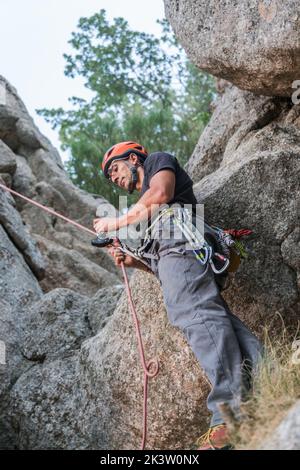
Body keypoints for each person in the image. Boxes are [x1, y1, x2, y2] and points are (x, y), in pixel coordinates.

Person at [93, 141, 263, 450]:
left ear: (133, 159)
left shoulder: (158, 162)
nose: (114, 178)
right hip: (182, 252)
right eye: (110, 177)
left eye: (115, 169)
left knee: (194, 314)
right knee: (213, 317)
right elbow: (166, 268)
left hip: (182, 243)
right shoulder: (147, 215)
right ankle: (265, 381)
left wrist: (113, 224)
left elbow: (161, 194)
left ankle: (230, 414)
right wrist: (134, 262)